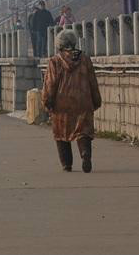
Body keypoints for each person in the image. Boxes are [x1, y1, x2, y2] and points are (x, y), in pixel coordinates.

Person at [42, 29, 102, 173]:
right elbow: (92, 82)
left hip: (62, 103)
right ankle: (85, 153)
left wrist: (47, 101)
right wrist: (96, 100)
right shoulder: (85, 59)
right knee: (83, 131)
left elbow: (50, 84)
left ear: (59, 45)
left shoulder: (55, 61)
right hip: (83, 100)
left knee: (61, 133)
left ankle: (66, 164)